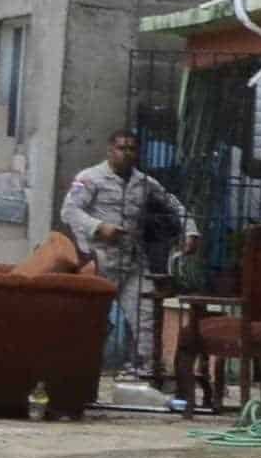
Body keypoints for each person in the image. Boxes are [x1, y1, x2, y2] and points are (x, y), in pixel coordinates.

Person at [57, 125, 196, 379]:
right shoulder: (90, 178)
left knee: (144, 318)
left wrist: (190, 230)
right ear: (110, 150)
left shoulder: (143, 182)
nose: (127, 154)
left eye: (132, 149)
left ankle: (145, 372)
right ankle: (80, 371)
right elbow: (69, 211)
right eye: (121, 148)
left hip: (132, 261)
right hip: (99, 260)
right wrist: (99, 227)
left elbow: (173, 203)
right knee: (93, 320)